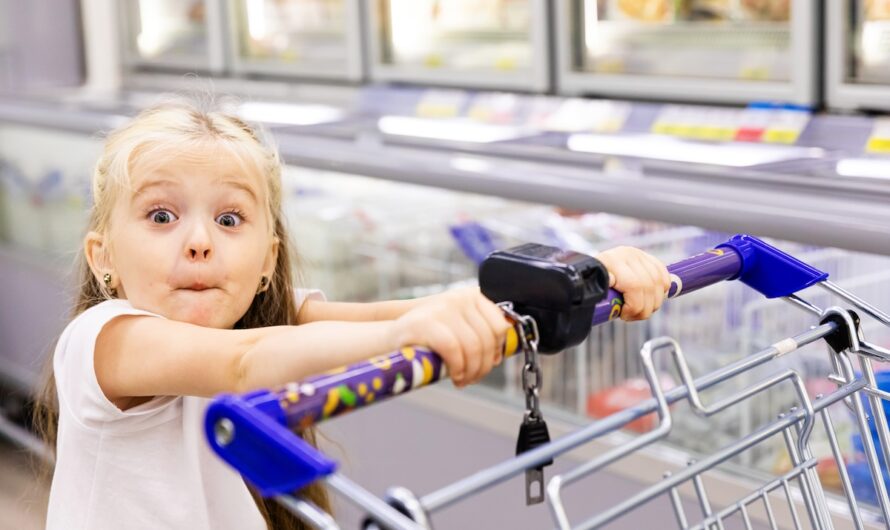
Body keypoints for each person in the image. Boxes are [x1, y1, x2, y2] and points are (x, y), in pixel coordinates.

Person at [34, 99, 671, 529]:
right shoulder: (102, 343)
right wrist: (406, 334)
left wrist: (584, 276)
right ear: (103, 257)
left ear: (266, 261)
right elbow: (240, 365)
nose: (199, 241)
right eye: (161, 216)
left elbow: (402, 313)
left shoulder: (266, 320)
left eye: (230, 219)